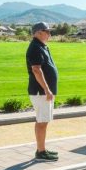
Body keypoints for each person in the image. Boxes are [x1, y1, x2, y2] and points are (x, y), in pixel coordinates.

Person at [26, 22, 59, 161]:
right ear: (38, 32)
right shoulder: (35, 48)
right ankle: (41, 152)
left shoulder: (41, 46)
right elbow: (36, 70)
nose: (49, 34)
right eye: (47, 31)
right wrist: (47, 90)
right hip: (41, 92)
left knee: (42, 120)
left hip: (43, 92)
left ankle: (41, 149)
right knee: (42, 121)